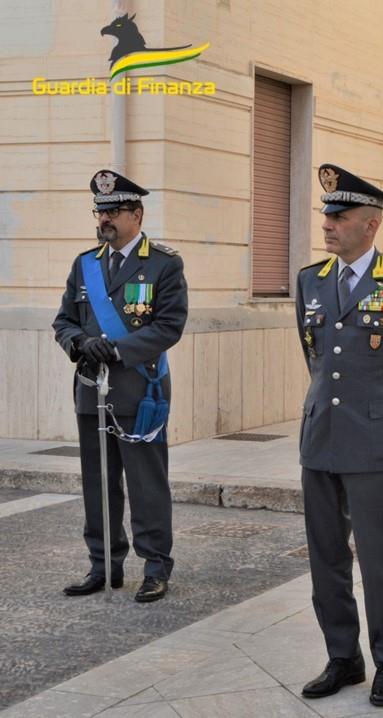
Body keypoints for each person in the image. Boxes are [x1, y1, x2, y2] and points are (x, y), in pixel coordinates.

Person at [296, 164, 383, 708]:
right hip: (320, 439)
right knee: (326, 555)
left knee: (380, 558)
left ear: (371, 224)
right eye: (326, 215)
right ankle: (343, 657)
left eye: (340, 216)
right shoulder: (310, 280)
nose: (328, 225)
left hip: (376, 443)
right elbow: (315, 358)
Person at [53, 170, 188, 603]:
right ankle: (103, 564)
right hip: (92, 389)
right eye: (100, 211)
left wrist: (118, 349)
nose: (104, 219)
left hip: (140, 390)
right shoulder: (85, 264)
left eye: (113, 211)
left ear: (136, 214)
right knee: (97, 482)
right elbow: (64, 322)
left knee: (147, 483)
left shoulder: (164, 263)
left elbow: (170, 326)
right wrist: (80, 343)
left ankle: (154, 567)